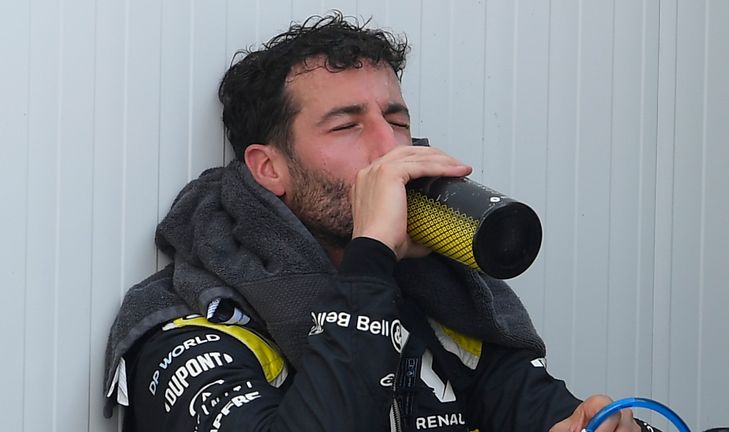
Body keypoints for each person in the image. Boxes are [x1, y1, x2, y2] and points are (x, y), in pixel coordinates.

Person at [103, 12, 659, 432]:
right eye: (346, 126)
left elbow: (536, 408)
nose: (386, 147)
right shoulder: (188, 328)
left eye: (396, 120)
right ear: (269, 168)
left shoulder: (438, 297)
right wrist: (372, 253)